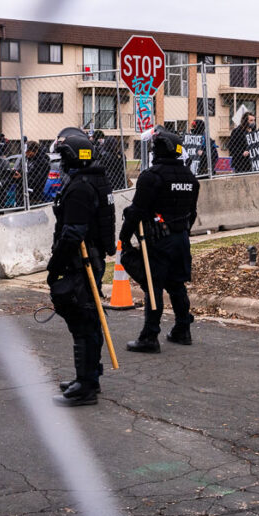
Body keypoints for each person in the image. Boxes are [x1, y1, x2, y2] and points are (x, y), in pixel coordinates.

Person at [46, 129, 115, 407]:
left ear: (72, 158)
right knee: (88, 316)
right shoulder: (96, 180)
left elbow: (73, 233)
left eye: (63, 157)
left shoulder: (79, 188)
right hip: (94, 260)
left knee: (82, 320)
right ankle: (89, 375)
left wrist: (54, 268)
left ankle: (85, 386)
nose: (60, 163)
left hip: (82, 262)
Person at [120, 130, 200, 353]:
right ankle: (183, 329)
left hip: (158, 240)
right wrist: (181, 232)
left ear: (159, 150)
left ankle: (149, 336)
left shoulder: (151, 176)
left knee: (153, 286)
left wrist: (123, 237)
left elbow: (137, 210)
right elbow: (192, 214)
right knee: (176, 285)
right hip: (181, 239)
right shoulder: (190, 178)